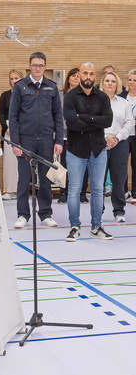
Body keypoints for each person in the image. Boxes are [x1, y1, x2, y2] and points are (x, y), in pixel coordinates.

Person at [9, 52, 64, 228]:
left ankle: (46, 214)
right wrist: (15, 142)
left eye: (41, 65)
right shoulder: (20, 87)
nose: (38, 68)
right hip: (26, 140)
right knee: (24, 179)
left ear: (45, 67)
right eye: (34, 65)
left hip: (47, 139)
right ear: (29, 66)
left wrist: (59, 141)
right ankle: (23, 215)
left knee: (45, 179)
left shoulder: (52, 87)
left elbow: (58, 115)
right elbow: (13, 115)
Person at [64, 62, 113, 242]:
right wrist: (95, 121)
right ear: (79, 75)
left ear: (95, 76)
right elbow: (71, 123)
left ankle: (96, 226)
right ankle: (74, 226)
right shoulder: (70, 97)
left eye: (92, 74)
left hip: (98, 149)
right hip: (76, 150)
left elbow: (107, 121)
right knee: (74, 190)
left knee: (98, 190)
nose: (88, 77)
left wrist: (83, 117)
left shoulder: (102, 97)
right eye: (85, 73)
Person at [100, 71, 133, 222]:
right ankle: (97, 210)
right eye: (107, 80)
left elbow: (128, 123)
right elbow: (93, 122)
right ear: (102, 83)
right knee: (98, 179)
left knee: (119, 178)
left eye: (113, 81)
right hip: (100, 143)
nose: (110, 83)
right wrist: (105, 138)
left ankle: (119, 211)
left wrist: (117, 138)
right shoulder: (96, 102)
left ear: (117, 84)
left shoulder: (124, 103)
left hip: (120, 144)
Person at [57, 68, 89, 204]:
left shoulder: (85, 95)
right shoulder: (60, 95)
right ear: (68, 78)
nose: (76, 78)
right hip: (65, 136)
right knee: (64, 165)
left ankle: (82, 192)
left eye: (78, 76)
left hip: (82, 136)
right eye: (73, 76)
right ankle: (64, 192)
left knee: (83, 165)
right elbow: (57, 115)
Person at [0, 69, 23, 200]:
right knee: (9, 162)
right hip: (8, 131)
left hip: (23, 130)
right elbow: (1, 113)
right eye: (12, 79)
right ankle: (10, 190)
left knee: (22, 161)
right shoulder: (5, 95)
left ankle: (22, 190)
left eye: (16, 78)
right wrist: (6, 127)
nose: (14, 81)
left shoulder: (27, 94)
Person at [119, 69, 136, 200]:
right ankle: (123, 191)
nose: (132, 82)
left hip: (135, 135)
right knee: (122, 163)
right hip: (124, 135)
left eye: (134, 80)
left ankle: (135, 191)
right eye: (130, 79)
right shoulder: (121, 96)